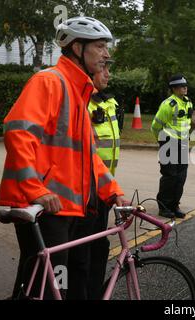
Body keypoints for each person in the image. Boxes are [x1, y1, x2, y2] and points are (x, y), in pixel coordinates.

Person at [0, 16, 129, 299]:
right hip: (46, 209)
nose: (106, 53)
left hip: (66, 210)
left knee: (41, 286)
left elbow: (88, 158)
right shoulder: (49, 81)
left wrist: (113, 191)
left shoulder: (77, 92)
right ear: (78, 47)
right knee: (50, 288)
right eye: (100, 46)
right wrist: (36, 190)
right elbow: (18, 133)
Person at [85, 59, 122, 299]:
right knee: (86, 251)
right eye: (103, 69)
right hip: (87, 191)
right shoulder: (83, 103)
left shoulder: (109, 102)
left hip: (105, 189)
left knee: (99, 248)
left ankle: (95, 292)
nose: (108, 74)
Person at [151, 74, 193, 219]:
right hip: (169, 143)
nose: (185, 88)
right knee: (169, 176)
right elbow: (155, 126)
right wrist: (161, 141)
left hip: (183, 144)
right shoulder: (168, 105)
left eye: (185, 85)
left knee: (181, 177)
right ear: (174, 89)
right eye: (181, 86)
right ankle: (164, 207)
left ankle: (174, 205)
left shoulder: (188, 103)